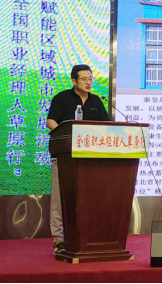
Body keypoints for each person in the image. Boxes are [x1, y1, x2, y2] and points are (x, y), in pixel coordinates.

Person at [46, 64, 109, 254]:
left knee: (89, 197)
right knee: (60, 198)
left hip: (90, 158)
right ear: (74, 81)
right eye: (84, 79)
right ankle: (59, 239)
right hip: (64, 156)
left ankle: (89, 236)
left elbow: (106, 126)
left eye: (90, 79)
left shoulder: (96, 101)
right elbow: (50, 121)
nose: (88, 82)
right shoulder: (62, 98)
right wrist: (65, 135)